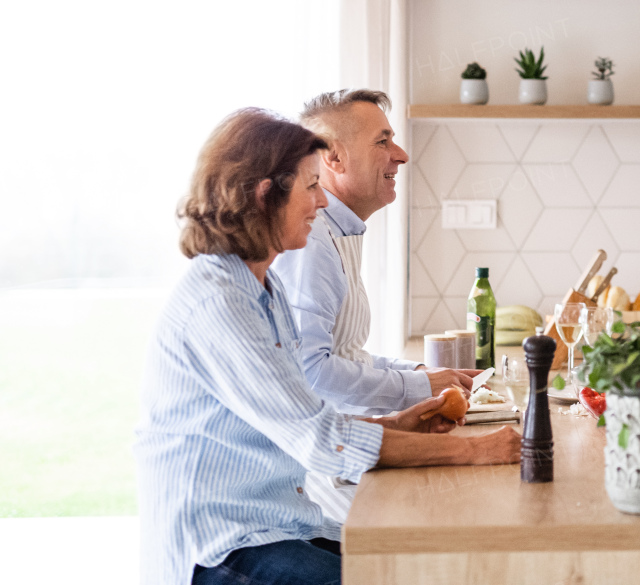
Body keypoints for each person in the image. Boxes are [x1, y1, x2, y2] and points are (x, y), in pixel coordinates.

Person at [136, 109, 520, 585]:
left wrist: (395, 423)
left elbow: (300, 415)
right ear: (265, 194)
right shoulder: (220, 303)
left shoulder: (262, 288)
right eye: (311, 186)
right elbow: (320, 440)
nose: (321, 203)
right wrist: (477, 453)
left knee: (419, 565)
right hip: (221, 548)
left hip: (279, 524)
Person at [273, 89, 476, 519]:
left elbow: (347, 355)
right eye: (382, 141)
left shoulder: (337, 232)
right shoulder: (312, 242)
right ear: (334, 158)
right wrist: (421, 386)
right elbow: (314, 373)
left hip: (351, 449)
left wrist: (419, 373)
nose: (400, 155)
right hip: (330, 478)